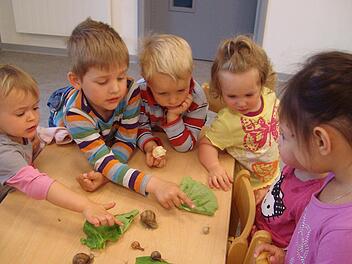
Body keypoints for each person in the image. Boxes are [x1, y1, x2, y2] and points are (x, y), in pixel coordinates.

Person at [48, 18, 193, 209]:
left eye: (121, 76)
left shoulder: (131, 90)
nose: (116, 89)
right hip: (64, 110)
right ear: (76, 80)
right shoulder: (76, 115)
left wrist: (106, 174)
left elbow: (126, 140)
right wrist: (155, 184)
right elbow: (102, 158)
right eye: (102, 82)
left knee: (111, 139)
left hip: (106, 125)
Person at [254, 51, 352, 263]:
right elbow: (308, 244)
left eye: (286, 136)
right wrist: (286, 254)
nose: (279, 141)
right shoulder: (333, 178)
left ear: (321, 141)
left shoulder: (343, 235)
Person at [0, 64, 121, 227]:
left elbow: (41, 135)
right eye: (21, 113)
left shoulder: (19, 129)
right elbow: (37, 184)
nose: (32, 118)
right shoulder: (4, 154)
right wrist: (86, 205)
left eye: (35, 108)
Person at [198, 35, 279, 194]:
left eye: (249, 95)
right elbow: (206, 144)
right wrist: (214, 167)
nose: (241, 103)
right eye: (232, 96)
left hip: (274, 175)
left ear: (261, 83)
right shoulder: (226, 122)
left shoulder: (269, 95)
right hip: (249, 187)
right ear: (220, 91)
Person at [137, 34, 208, 168]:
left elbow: (186, 147)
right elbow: (138, 128)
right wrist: (150, 146)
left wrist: (173, 117)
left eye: (181, 90)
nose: (174, 100)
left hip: (182, 155)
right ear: (147, 81)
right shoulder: (139, 93)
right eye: (163, 93)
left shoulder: (197, 98)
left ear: (190, 73)